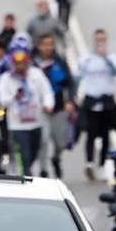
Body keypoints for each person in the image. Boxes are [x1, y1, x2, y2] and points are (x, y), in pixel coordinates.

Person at [0, 49, 54, 175]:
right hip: (17, 125)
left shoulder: (36, 75)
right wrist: (14, 97)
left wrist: (47, 105)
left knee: (34, 152)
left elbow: (47, 92)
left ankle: (28, 169)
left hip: (36, 123)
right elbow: (2, 100)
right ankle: (26, 177)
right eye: (17, 64)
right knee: (24, 155)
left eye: (23, 63)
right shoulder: (5, 79)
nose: (20, 67)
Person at [77, 28, 116, 180]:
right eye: (98, 40)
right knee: (90, 133)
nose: (100, 43)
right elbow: (78, 76)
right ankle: (89, 163)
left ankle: (103, 164)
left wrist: (105, 58)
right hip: (91, 102)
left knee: (105, 134)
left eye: (103, 40)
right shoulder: (86, 59)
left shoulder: (112, 57)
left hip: (107, 102)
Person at [34, 33, 74, 178]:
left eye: (50, 44)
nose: (48, 47)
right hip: (40, 110)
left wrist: (70, 101)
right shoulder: (34, 64)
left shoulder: (60, 62)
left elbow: (70, 83)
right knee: (43, 141)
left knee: (59, 141)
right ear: (39, 46)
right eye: (45, 44)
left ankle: (56, 158)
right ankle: (43, 169)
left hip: (58, 108)